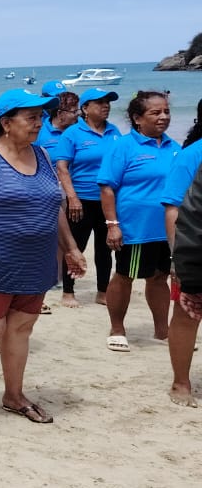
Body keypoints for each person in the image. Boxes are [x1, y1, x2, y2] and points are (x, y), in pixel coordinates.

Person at [0, 89, 86, 433]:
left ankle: (14, 395)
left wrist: (70, 248)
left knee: (21, 329)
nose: (39, 123)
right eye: (31, 117)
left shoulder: (42, 154)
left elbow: (54, 206)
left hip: (36, 263)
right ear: (7, 123)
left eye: (41, 117)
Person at [98, 91, 180, 353]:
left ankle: (163, 330)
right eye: (155, 112)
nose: (163, 117)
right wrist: (112, 225)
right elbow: (107, 188)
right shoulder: (123, 146)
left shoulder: (175, 147)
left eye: (166, 111)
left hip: (166, 230)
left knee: (160, 277)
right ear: (137, 118)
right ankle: (117, 329)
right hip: (135, 228)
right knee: (125, 276)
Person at [53, 89, 122, 308]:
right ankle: (68, 291)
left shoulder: (114, 131)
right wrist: (72, 198)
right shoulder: (72, 134)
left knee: (105, 249)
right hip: (81, 200)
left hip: (108, 201)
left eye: (107, 102)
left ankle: (102, 292)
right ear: (85, 108)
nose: (106, 106)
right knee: (75, 246)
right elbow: (62, 167)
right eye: (99, 102)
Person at [163, 135, 202, 406]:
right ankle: (181, 382)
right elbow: (175, 209)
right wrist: (177, 259)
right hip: (191, 248)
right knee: (186, 313)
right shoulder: (192, 154)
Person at [37, 91, 78, 156]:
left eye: (78, 111)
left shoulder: (80, 129)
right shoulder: (39, 132)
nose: (78, 114)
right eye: (74, 112)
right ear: (60, 114)